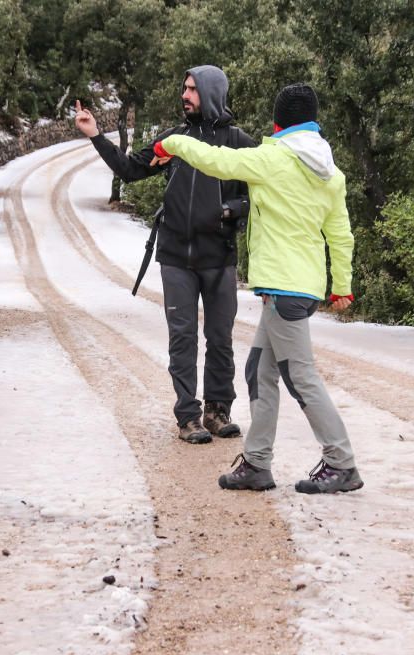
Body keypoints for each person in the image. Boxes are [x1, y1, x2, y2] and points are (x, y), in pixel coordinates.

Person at [152, 83, 362, 494]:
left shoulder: (274, 158)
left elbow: (215, 161)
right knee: (259, 372)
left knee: (299, 377)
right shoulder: (330, 172)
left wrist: (173, 143)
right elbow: (341, 234)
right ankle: (256, 463)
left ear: (278, 122)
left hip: (283, 288)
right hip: (302, 287)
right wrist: (342, 284)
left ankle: (342, 462)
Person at [74, 65, 255, 444]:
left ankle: (218, 411)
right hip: (175, 256)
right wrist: (94, 134)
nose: (184, 96)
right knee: (183, 337)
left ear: (211, 93)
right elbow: (130, 169)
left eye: (192, 90)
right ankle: (188, 416)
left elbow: (254, 196)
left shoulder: (240, 143)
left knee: (220, 337)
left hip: (219, 255)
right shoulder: (174, 140)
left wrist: (229, 210)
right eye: (184, 88)